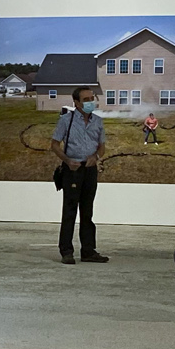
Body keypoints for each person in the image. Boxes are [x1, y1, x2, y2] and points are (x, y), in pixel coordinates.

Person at [51, 86, 108, 264]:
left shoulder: (98, 121)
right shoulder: (66, 121)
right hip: (72, 170)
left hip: (90, 170)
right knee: (69, 211)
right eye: (86, 99)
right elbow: (54, 144)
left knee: (87, 211)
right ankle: (66, 251)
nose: (91, 102)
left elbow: (102, 146)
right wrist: (67, 161)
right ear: (76, 102)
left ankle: (88, 251)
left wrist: (95, 157)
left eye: (92, 98)